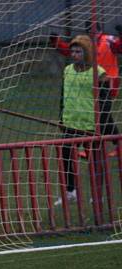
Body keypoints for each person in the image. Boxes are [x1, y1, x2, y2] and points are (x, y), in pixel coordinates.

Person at [51, 23, 121, 151]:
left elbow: (119, 47)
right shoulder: (84, 44)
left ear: (100, 31)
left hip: (108, 79)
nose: (92, 33)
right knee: (96, 112)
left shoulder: (108, 40)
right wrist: (56, 41)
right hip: (86, 80)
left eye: (95, 30)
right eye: (89, 31)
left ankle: (112, 142)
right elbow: (68, 50)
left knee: (103, 112)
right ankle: (111, 141)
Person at [57, 35, 109, 206]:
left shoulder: (99, 73)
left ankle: (97, 195)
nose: (74, 54)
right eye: (72, 51)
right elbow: (63, 97)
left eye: (78, 51)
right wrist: (61, 117)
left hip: (91, 125)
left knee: (95, 161)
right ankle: (70, 191)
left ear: (87, 52)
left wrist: (101, 123)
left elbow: (105, 103)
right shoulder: (67, 70)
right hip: (71, 123)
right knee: (66, 156)